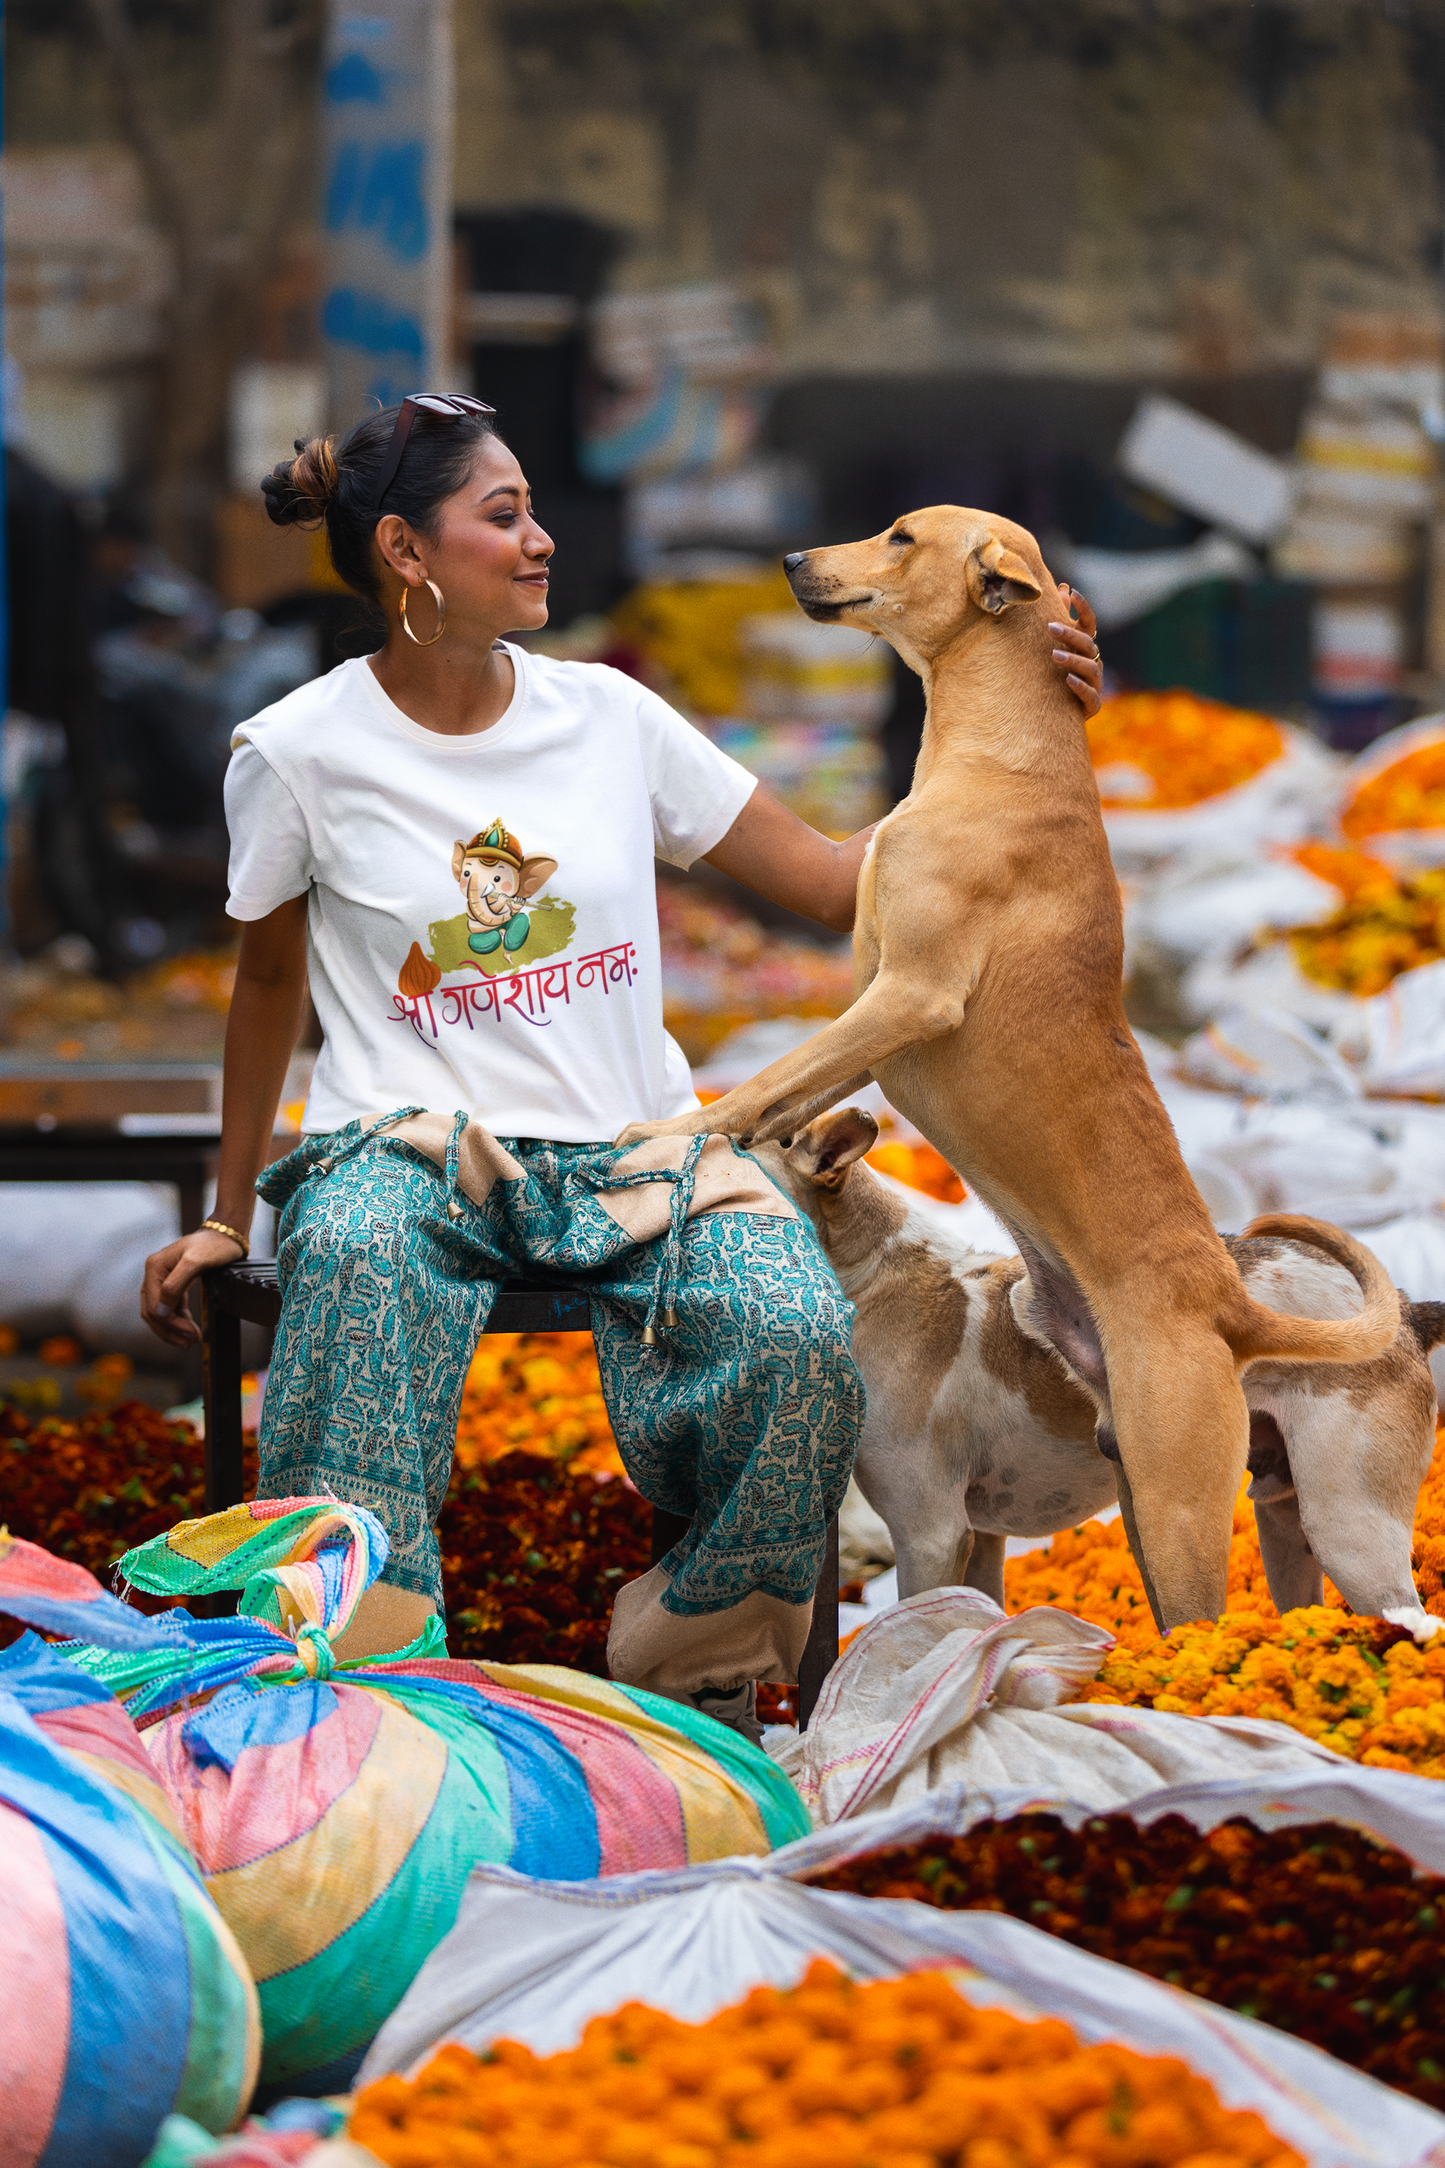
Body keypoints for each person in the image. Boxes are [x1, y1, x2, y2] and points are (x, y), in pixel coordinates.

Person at [140, 394, 1103, 1731]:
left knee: (793, 1334)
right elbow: (264, 986)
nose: (541, 542)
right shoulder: (299, 752)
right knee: (354, 1263)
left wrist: (1016, 712)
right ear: (408, 556)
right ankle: (346, 1689)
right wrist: (224, 1215)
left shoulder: (610, 717)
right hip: (413, 1148)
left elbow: (838, 888)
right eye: (503, 517)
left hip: (642, 1148)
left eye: (534, 512)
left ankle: (690, 1675)